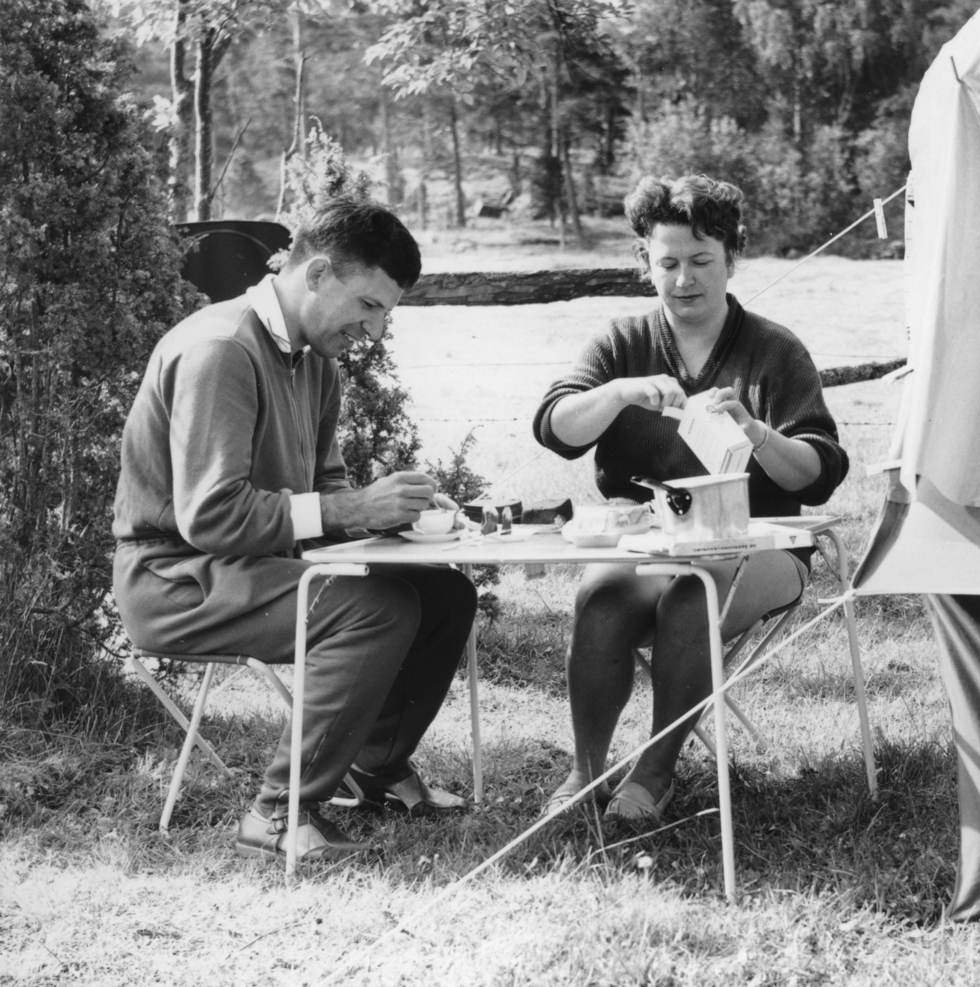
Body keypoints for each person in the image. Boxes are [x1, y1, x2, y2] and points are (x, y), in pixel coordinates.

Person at [113, 197, 477, 860]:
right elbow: (211, 514)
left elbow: (326, 492)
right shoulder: (222, 349)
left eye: (386, 313)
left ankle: (375, 771)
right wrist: (348, 511)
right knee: (375, 609)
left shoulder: (316, 363)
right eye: (368, 305)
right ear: (315, 274)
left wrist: (403, 518)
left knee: (443, 594)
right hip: (177, 580)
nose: (375, 330)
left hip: (254, 569)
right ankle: (277, 816)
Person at [532, 175, 849, 824]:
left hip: (759, 544)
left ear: (733, 259)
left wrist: (758, 433)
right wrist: (618, 393)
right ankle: (587, 769)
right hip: (650, 540)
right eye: (668, 262)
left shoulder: (773, 349)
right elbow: (554, 424)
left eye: (702, 261)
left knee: (692, 593)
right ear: (644, 263)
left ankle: (654, 771)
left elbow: (819, 472)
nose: (684, 279)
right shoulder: (622, 344)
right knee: (604, 593)